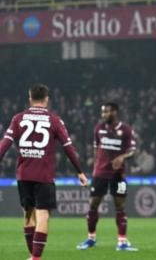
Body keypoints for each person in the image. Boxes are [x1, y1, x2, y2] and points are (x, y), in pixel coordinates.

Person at [0, 84, 88, 260]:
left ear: (30, 99)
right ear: (47, 99)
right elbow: (68, 148)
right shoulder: (55, 120)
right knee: (42, 216)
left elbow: (4, 144)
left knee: (27, 216)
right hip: (44, 175)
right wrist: (80, 171)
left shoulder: (18, 118)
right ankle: (36, 258)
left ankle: (32, 256)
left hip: (24, 174)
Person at [76, 102, 138, 251]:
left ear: (115, 112)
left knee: (120, 206)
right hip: (100, 173)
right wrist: (95, 168)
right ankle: (91, 239)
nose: (104, 115)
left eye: (107, 112)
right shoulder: (98, 129)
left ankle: (122, 242)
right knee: (93, 204)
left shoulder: (126, 130)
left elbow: (132, 151)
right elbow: (96, 150)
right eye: (102, 112)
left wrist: (122, 157)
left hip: (118, 174)